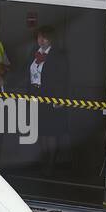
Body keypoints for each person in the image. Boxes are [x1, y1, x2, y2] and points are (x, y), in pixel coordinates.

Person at [27, 25, 70, 178]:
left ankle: (50, 164)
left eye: (44, 37)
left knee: (51, 131)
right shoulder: (34, 53)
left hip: (51, 97)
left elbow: (62, 78)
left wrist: (59, 98)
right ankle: (43, 160)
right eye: (39, 37)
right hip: (35, 96)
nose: (41, 40)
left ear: (51, 38)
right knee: (41, 130)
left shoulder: (59, 55)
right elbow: (30, 75)